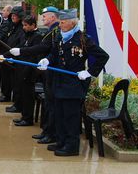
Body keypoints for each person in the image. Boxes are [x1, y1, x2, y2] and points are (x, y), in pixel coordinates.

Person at [37, 9, 109, 157]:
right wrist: (47, 60)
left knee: (71, 117)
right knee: (60, 115)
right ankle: (61, 141)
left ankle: (72, 146)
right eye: (60, 22)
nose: (60, 25)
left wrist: (89, 72)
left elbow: (103, 56)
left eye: (63, 23)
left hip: (73, 84)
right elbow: (54, 54)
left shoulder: (82, 39)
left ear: (72, 23)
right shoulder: (60, 37)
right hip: (59, 82)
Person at [10, 6, 60, 144]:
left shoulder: (55, 31)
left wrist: (22, 51)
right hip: (46, 71)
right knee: (48, 104)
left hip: (51, 72)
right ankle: (47, 131)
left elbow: (44, 48)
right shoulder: (51, 31)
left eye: (45, 16)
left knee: (51, 105)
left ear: (52, 17)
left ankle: (50, 133)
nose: (42, 18)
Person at [7, 15, 42, 126]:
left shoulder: (37, 37)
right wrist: (8, 57)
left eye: (26, 25)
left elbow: (33, 53)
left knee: (28, 96)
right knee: (22, 93)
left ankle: (28, 118)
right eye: (23, 25)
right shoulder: (25, 35)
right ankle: (24, 115)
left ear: (33, 25)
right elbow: (19, 48)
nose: (24, 27)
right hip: (21, 68)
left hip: (29, 70)